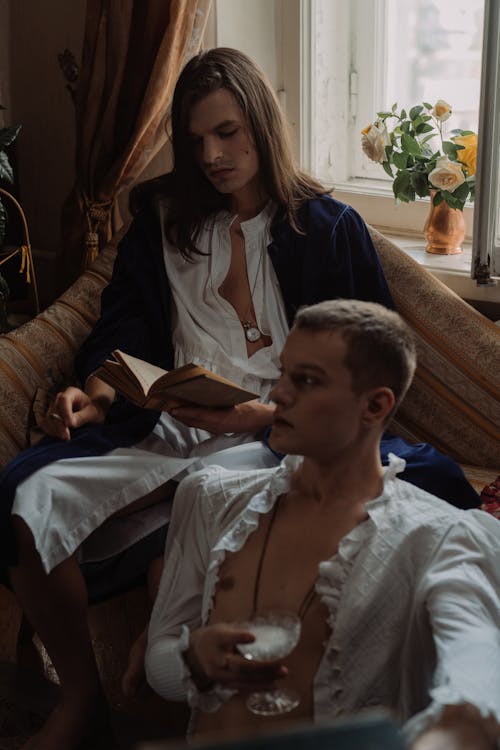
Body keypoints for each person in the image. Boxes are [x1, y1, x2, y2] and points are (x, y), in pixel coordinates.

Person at [0, 48, 480, 750]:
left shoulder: (327, 227)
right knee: (26, 497)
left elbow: (369, 354)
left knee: (206, 500)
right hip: (168, 421)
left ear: (260, 122)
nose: (213, 155)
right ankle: (80, 701)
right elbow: (124, 324)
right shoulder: (164, 221)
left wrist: (267, 415)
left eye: (227, 133)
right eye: (196, 141)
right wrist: (98, 392)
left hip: (275, 434)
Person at [145, 299, 500, 750]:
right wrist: (192, 658)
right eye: (284, 374)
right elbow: (160, 658)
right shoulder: (212, 499)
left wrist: (449, 736)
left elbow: (478, 680)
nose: (277, 396)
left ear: (374, 406)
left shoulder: (438, 538)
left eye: (306, 381)